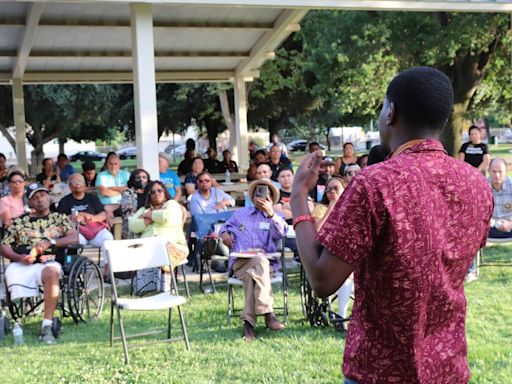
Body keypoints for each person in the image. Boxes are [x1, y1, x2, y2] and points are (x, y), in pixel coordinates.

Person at [290, 67, 493, 383]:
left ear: (391, 113)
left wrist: (298, 199)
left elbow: (322, 280)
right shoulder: (476, 184)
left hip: (378, 369)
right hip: (447, 367)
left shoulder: (375, 183)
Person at [0, 183, 78, 344]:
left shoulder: (59, 218)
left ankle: (47, 325)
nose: (40, 199)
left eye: (42, 195)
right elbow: (4, 245)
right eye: (35, 197)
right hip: (23, 261)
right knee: (10, 272)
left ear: (49, 197)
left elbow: (73, 237)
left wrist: (51, 243)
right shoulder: (19, 222)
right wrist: (18, 257)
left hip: (49, 261)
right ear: (29, 203)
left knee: (51, 272)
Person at [219, 178, 288, 341]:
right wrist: (224, 234)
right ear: (252, 196)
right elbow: (225, 226)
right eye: (258, 192)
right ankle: (268, 313)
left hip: (266, 264)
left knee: (256, 269)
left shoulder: (275, 216)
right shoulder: (241, 214)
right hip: (241, 262)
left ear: (271, 197)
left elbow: (281, 233)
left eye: (265, 193)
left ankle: (248, 324)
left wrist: (270, 213)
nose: (261, 196)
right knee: (258, 263)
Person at [129, 180, 189, 292]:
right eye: (152, 192)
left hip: (174, 246)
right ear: (148, 195)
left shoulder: (172, 205)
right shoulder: (143, 209)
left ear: (165, 192)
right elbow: (132, 225)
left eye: (159, 190)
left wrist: (148, 216)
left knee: (163, 250)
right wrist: (148, 221)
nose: (156, 193)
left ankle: (165, 289)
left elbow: (166, 217)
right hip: (149, 247)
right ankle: (147, 288)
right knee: (147, 250)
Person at [311, 176, 351, 332]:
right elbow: (317, 230)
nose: (332, 192)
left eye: (336, 188)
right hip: (327, 250)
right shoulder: (320, 208)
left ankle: (341, 316)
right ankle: (340, 318)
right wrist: (331, 208)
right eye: (328, 189)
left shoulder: (352, 208)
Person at [57, 173, 113, 277]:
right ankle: (73, 271)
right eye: (74, 182)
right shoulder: (64, 201)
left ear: (85, 185)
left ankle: (107, 271)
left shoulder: (92, 198)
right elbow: (59, 220)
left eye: (80, 182)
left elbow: (103, 214)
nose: (77, 184)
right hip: (77, 232)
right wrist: (72, 218)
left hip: (94, 230)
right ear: (69, 185)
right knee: (72, 242)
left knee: (108, 238)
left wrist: (89, 218)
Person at [120, 168, 150, 239]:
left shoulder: (151, 192)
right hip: (134, 222)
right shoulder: (128, 193)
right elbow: (128, 213)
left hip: (149, 221)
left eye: (144, 177)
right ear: (133, 180)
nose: (141, 179)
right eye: (138, 177)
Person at [487, 158, 512, 238]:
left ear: (506, 172)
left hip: (509, 225)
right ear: (489, 171)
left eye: (500, 172)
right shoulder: (482, 187)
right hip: (489, 227)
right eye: (494, 172)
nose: (497, 175)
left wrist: (510, 224)